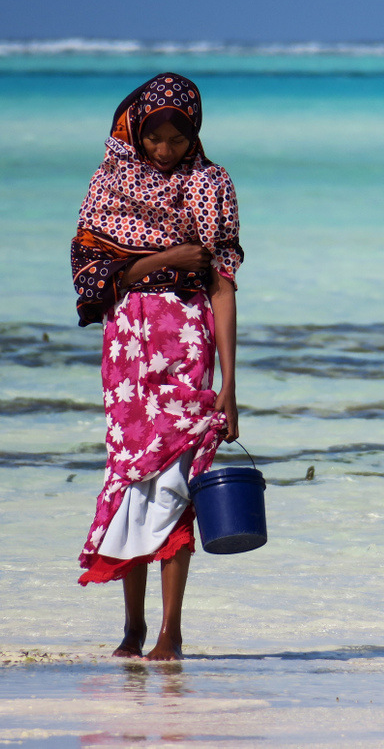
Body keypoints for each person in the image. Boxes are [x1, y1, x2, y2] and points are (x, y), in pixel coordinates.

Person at [71, 72, 243, 661]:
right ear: (136, 133)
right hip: (127, 348)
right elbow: (93, 271)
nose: (165, 150)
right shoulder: (109, 181)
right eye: (154, 138)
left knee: (174, 484)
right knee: (130, 482)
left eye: (177, 137)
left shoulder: (211, 183)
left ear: (194, 133)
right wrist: (165, 258)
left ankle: (171, 631)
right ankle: (132, 628)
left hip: (186, 342)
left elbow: (222, 288)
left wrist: (229, 384)